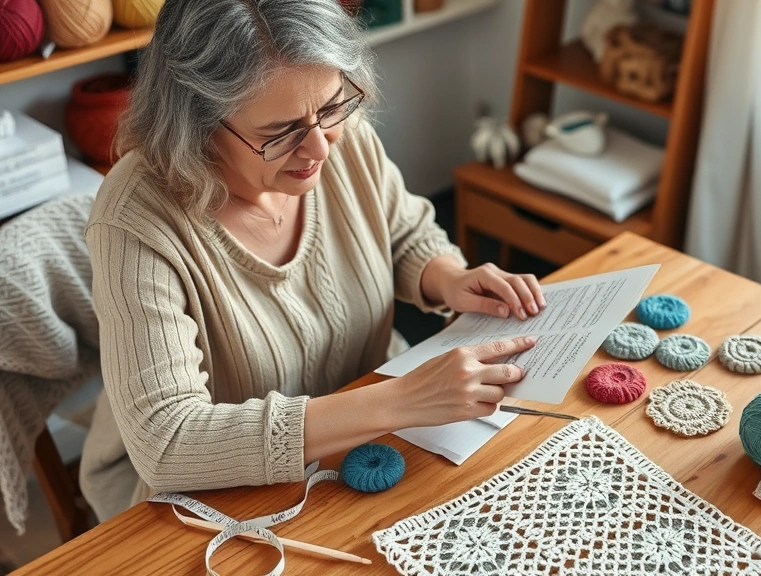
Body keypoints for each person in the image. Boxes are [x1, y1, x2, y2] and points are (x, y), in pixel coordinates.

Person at [80, 0, 542, 520]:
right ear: (196, 120)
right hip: (212, 494)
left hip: (372, 432)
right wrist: (400, 402)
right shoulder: (136, 220)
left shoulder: (329, 131)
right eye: (278, 133)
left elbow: (404, 230)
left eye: (331, 108)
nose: (319, 148)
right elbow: (168, 442)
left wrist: (447, 277)